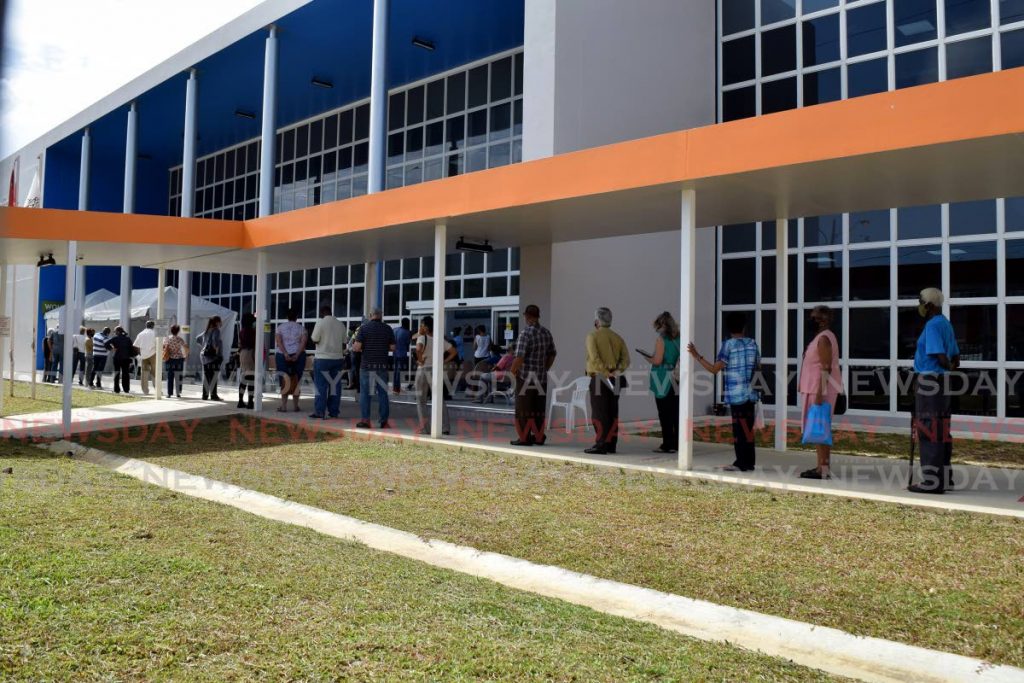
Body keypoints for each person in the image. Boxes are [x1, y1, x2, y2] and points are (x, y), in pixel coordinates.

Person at [688, 312, 760, 471]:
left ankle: (741, 462)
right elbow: (758, 367)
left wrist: (697, 356)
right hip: (751, 392)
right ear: (744, 326)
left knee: (739, 430)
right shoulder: (752, 343)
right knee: (748, 429)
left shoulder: (728, 345)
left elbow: (714, 369)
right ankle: (749, 461)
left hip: (736, 393)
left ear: (728, 329)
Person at [909, 287, 961, 494]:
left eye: (920, 301)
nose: (919, 305)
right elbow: (956, 358)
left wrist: (939, 370)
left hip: (930, 382)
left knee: (928, 429)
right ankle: (944, 478)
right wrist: (948, 371)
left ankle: (931, 481)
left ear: (928, 305)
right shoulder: (946, 324)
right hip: (943, 383)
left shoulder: (931, 326)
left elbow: (940, 356)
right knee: (942, 430)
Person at [798, 305, 843, 479]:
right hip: (813, 388)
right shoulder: (820, 337)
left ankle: (823, 469)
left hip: (820, 391)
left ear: (822, 320)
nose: (811, 320)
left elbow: (826, 368)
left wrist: (819, 393)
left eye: (814, 317)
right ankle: (820, 468)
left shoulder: (824, 338)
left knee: (820, 429)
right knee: (817, 429)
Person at [584, 307, 630, 455]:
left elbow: (594, 358)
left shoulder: (592, 336)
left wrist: (605, 373)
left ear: (596, 320)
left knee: (599, 412)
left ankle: (601, 443)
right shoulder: (618, 338)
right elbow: (626, 360)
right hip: (615, 378)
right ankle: (611, 444)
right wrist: (615, 372)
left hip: (599, 378)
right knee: (612, 411)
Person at [509, 304, 557, 446]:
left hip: (525, 378)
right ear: (538, 316)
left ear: (527, 316)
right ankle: (539, 436)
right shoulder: (546, 333)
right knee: (538, 409)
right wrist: (545, 368)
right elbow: (553, 353)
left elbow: (519, 357)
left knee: (523, 409)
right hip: (541, 378)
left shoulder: (525, 334)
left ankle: (524, 438)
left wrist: (512, 372)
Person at [642, 312, 681, 454]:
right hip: (677, 377)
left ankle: (667, 444)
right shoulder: (680, 337)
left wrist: (648, 358)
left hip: (662, 378)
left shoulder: (661, 340)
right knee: (676, 412)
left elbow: (657, 361)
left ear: (661, 326)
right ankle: (677, 443)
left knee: (664, 413)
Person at [353, 307, 395, 428]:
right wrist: (383, 347)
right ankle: (384, 421)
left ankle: (366, 421)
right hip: (382, 366)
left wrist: (364, 347)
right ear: (381, 315)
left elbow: (356, 347)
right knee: (383, 394)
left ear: (371, 315)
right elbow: (393, 348)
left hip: (367, 366)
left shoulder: (364, 328)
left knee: (366, 394)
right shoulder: (387, 329)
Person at [414, 315, 455, 434]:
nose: (420, 327)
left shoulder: (422, 337)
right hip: (435, 370)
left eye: (422, 325)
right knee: (439, 399)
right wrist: (443, 361)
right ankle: (445, 427)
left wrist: (420, 359)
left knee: (421, 400)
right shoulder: (439, 339)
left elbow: (417, 349)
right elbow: (453, 352)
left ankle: (425, 428)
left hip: (423, 370)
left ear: (426, 327)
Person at [310, 304, 347, 419]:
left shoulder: (320, 323)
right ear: (330, 312)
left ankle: (320, 412)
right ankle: (334, 411)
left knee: (321, 386)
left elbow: (315, 339)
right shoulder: (340, 324)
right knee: (335, 386)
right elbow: (344, 343)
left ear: (322, 313)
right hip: (337, 359)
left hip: (322, 359)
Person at [274, 308, 307, 412]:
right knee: (296, 379)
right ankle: (295, 406)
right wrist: (297, 355)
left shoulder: (280, 328)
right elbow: (303, 343)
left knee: (284, 380)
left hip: (282, 356)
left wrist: (285, 354)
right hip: (299, 356)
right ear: (296, 317)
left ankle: (283, 406)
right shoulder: (302, 328)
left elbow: (279, 342)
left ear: (287, 317)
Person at [104, 326, 136, 394]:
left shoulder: (115, 338)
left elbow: (106, 344)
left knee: (117, 373)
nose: (114, 333)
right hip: (126, 358)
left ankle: (116, 389)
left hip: (117, 358)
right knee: (126, 374)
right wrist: (131, 356)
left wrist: (112, 348)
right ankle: (126, 389)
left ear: (118, 332)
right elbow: (131, 349)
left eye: (115, 331)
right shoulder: (128, 339)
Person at [198, 316, 224, 401]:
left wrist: (203, 346)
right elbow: (215, 343)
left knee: (206, 376)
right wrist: (216, 353)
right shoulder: (216, 330)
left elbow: (197, 339)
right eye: (220, 321)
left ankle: (205, 395)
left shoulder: (206, 330)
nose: (221, 322)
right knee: (213, 376)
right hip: (212, 357)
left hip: (204, 356)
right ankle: (213, 395)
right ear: (216, 322)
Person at [237, 313, 256, 409]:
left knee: (244, 378)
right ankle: (250, 402)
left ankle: (240, 401)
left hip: (243, 354)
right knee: (251, 379)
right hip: (250, 353)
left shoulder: (242, 331)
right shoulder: (252, 331)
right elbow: (254, 343)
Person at [163, 324, 187, 398]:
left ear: (171, 330)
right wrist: (185, 356)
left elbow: (164, 347)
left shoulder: (167, 338)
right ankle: (178, 393)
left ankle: (169, 393)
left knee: (170, 376)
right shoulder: (180, 339)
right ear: (178, 331)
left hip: (169, 359)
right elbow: (186, 347)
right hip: (179, 359)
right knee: (178, 376)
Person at [134, 320, 157, 395]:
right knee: (155, 373)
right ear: (153, 326)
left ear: (146, 325)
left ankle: (145, 390)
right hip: (153, 354)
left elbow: (136, 346)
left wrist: (140, 354)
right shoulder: (155, 333)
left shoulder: (141, 334)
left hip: (143, 355)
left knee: (144, 373)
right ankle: (157, 389)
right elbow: (160, 344)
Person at [392, 317, 412, 394]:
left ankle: (395, 388)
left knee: (395, 371)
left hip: (395, 353)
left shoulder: (395, 330)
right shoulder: (407, 332)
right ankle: (397, 389)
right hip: (402, 354)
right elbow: (407, 343)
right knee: (399, 371)